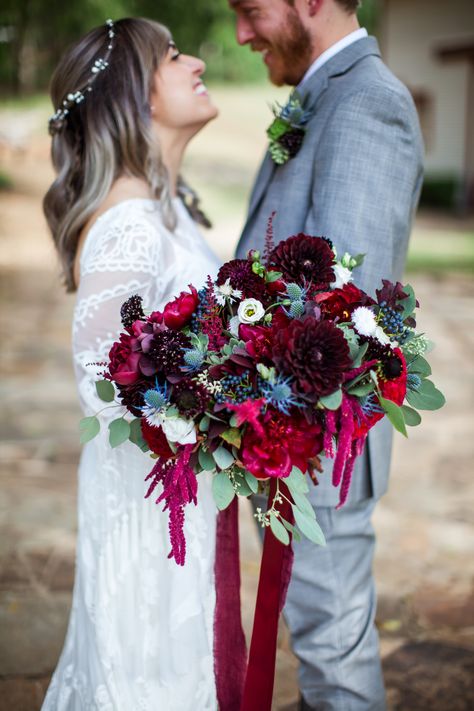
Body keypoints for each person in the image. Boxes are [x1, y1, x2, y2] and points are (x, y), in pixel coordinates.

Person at [229, 0, 423, 708]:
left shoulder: (368, 102)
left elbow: (342, 313)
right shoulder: (323, 97)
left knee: (334, 656)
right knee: (317, 640)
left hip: (317, 443)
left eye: (251, 10)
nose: (243, 34)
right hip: (286, 436)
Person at [41, 18, 220, 711]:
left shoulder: (163, 209)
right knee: (150, 677)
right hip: (148, 507)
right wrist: (235, 395)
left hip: (177, 495)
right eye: (175, 56)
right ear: (134, 94)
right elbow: (102, 379)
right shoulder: (128, 224)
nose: (198, 61)